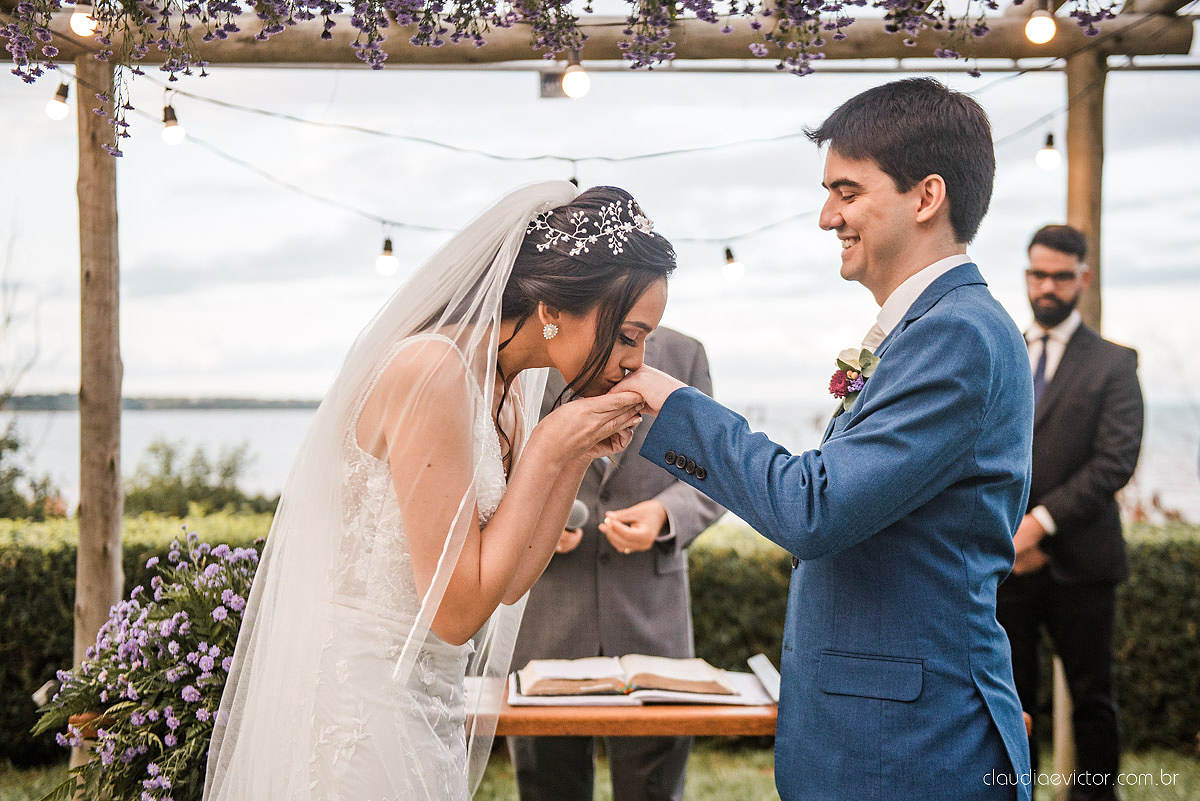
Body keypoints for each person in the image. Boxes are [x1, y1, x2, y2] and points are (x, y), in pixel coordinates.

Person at [615, 78, 1034, 801]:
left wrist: (670, 398)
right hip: (875, 734)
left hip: (912, 748)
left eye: (846, 191)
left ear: (926, 196)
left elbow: (816, 508)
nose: (825, 216)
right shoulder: (924, 329)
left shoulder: (956, 334)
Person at [203, 182, 676, 801]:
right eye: (628, 335)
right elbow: (454, 614)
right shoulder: (433, 371)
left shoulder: (506, 387)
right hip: (363, 703)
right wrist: (546, 449)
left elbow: (505, 583)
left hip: (431, 700)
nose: (633, 363)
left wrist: (571, 455)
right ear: (554, 309)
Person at [507, 327, 724, 801]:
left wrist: (666, 514)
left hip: (651, 619)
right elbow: (495, 462)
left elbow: (713, 471)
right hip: (549, 615)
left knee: (654, 788)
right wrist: (534, 523)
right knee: (547, 785)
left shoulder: (686, 355)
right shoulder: (530, 357)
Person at [996, 224, 1143, 801]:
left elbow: (1114, 463)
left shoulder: (1114, 363)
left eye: (1061, 275)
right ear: (1027, 274)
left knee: (1093, 701)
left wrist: (1035, 526)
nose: (1048, 286)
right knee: (1011, 701)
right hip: (1005, 563)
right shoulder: (1003, 352)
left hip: (1083, 563)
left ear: (1083, 278)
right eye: (1038, 274)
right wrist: (1006, 534)